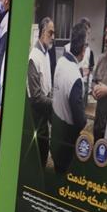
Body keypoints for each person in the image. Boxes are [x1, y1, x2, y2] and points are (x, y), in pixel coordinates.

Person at [50, 20, 88, 173]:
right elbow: (80, 120)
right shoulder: (76, 79)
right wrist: (85, 120)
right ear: (83, 49)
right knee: (64, 175)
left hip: (56, 132)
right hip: (67, 140)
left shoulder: (61, 62)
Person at [27, 17, 55, 166]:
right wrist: (54, 103)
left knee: (44, 152)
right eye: (51, 33)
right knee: (38, 156)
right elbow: (36, 97)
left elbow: (47, 85)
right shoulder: (34, 57)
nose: (53, 37)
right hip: (37, 117)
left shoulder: (46, 54)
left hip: (45, 113)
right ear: (43, 32)